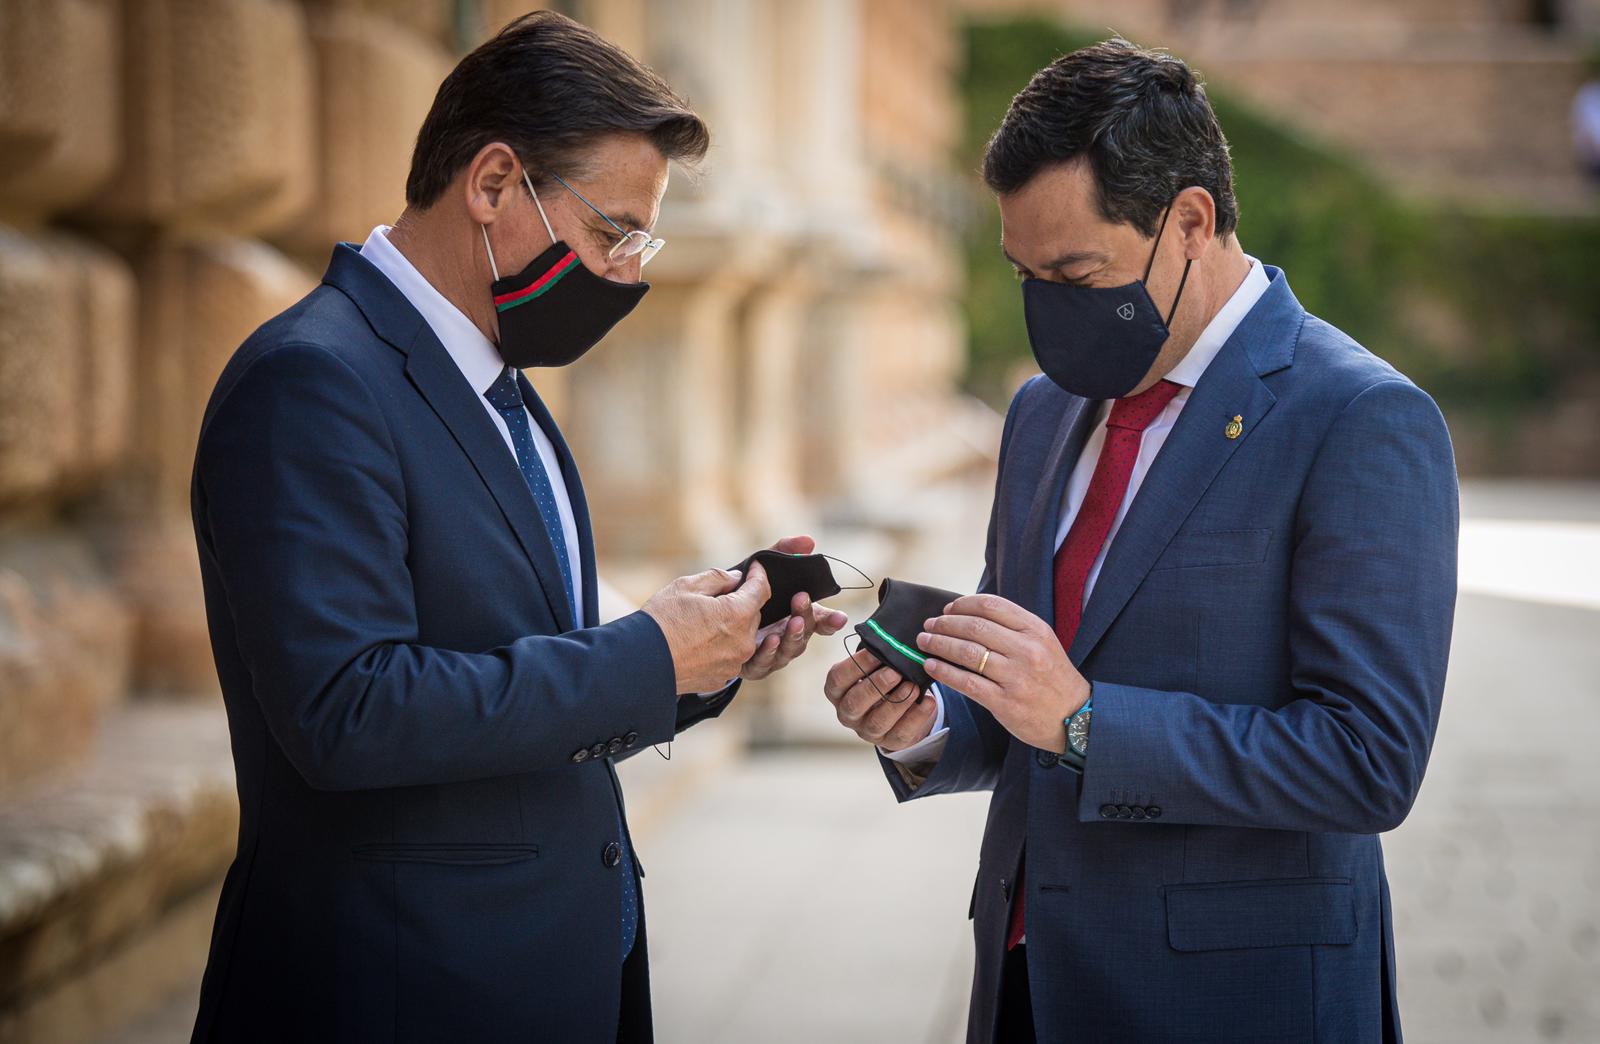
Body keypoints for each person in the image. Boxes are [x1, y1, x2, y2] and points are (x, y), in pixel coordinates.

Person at [188, 12, 845, 1042]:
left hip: (555, 978)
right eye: (611, 235)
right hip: (401, 994)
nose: (628, 276)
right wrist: (643, 655)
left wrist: (700, 658)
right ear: (493, 185)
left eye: (642, 242)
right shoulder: (311, 381)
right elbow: (345, 711)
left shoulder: (503, 386)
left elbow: (532, 666)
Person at [823, 38, 1457, 1043]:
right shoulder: (1040, 412)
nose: (1048, 310)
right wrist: (925, 722)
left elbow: (1367, 762)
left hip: (1232, 1001)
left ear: (1190, 221)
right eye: (1025, 273)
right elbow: (1025, 704)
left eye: (1074, 271)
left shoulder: (1361, 417)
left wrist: (1084, 724)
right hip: (1027, 987)